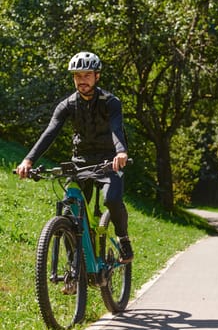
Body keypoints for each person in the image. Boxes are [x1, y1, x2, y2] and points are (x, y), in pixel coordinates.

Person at [15, 51, 133, 264]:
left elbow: (116, 128)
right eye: (77, 76)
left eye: (87, 75)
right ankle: (73, 268)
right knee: (71, 213)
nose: (82, 81)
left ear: (97, 76)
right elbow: (50, 132)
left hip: (109, 160)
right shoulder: (67, 104)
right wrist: (28, 160)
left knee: (112, 199)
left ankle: (123, 238)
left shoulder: (111, 102)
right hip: (81, 162)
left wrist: (121, 152)